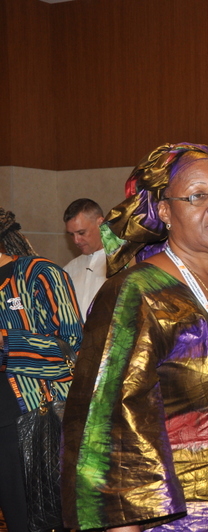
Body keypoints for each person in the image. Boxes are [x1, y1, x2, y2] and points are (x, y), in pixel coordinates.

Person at [61, 143, 208, 531]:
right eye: (198, 196)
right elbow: (108, 435)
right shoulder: (137, 293)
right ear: (165, 210)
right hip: (184, 521)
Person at [0, 209, 82, 532]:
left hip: (33, 424)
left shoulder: (39, 274)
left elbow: (71, 350)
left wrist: (6, 343)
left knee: (40, 522)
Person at [63, 198, 107, 320]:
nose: (76, 240)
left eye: (81, 233)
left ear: (100, 223)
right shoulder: (68, 270)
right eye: (71, 234)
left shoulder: (123, 263)